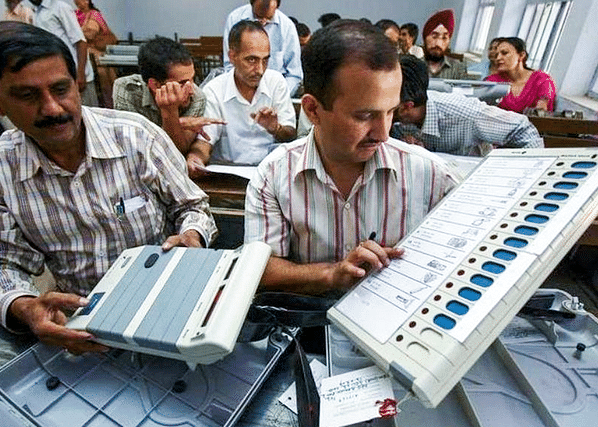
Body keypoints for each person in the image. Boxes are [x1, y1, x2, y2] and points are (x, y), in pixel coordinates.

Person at [0, 21, 218, 353]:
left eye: (61, 89)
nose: (52, 108)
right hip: (83, 327)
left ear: (77, 84)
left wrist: (192, 236)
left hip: (171, 304)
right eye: (27, 95)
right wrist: (24, 307)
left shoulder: (135, 136)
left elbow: (193, 206)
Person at [244, 20, 459, 295]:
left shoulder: (431, 176)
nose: (382, 134)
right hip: (307, 326)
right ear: (312, 110)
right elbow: (260, 270)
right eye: (364, 116)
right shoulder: (274, 176)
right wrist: (331, 275)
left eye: (391, 112)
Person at [187, 20, 296, 173]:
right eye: (251, 60)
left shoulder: (276, 82)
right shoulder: (215, 89)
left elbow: (290, 135)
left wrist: (275, 129)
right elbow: (204, 143)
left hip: (269, 175)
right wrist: (195, 158)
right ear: (232, 56)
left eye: (265, 60)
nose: (260, 70)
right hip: (228, 176)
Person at [391, 55, 543, 156]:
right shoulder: (401, 116)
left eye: (388, 110)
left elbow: (523, 130)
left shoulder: (465, 114)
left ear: (406, 107)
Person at [113, 37, 223, 157]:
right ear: (155, 85)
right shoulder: (127, 89)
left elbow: (177, 154)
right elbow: (132, 147)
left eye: (192, 79)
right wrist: (180, 123)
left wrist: (170, 114)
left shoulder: (197, 97)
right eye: (182, 83)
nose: (191, 89)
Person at [223, 0, 302, 96]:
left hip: (276, 93)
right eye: (259, 17)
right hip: (241, 89)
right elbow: (229, 65)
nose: (263, 22)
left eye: (269, 18)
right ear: (251, 4)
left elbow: (294, 74)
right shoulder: (235, 18)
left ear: (277, 7)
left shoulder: (287, 27)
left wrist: (279, 95)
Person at [29, 0, 96, 106]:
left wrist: (81, 74)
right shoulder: (37, 12)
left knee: (87, 117)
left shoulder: (60, 7)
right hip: (58, 76)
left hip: (77, 76)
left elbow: (81, 42)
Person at [485, 37, 557, 113]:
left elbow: (541, 113)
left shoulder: (542, 80)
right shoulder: (492, 81)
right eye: (497, 55)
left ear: (521, 55)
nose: (498, 58)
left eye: (504, 53)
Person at [74, 0, 116, 108]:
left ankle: (108, 105)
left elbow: (90, 34)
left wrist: (76, 32)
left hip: (96, 55)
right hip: (83, 54)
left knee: (102, 76)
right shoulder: (76, 15)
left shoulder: (94, 15)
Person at [422, 9, 468, 80]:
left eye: (444, 38)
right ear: (425, 39)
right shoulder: (413, 66)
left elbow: (464, 90)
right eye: (434, 37)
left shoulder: (458, 69)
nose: (438, 44)